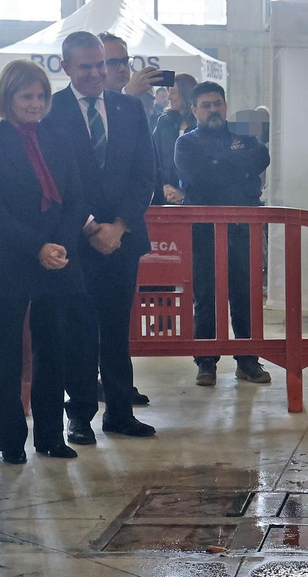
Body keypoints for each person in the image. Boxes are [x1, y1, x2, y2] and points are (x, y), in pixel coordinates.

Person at [0, 60, 89, 463]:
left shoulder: (59, 139)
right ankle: (10, 441)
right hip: (11, 258)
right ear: (8, 98)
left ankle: (51, 437)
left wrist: (59, 245)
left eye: (41, 96)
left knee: (53, 348)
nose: (36, 104)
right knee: (5, 353)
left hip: (58, 257)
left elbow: (76, 199)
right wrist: (37, 247)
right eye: (27, 96)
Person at [48, 32, 158, 445]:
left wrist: (119, 227)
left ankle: (120, 412)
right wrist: (91, 226)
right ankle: (79, 416)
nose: (97, 73)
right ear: (66, 67)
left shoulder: (129, 108)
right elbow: (54, 180)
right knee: (77, 329)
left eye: (103, 65)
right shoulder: (51, 111)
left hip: (122, 239)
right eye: (86, 67)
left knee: (116, 328)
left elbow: (144, 174)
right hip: (74, 242)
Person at [174, 81, 271, 387]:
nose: (213, 109)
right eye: (206, 105)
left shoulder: (244, 135)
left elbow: (260, 159)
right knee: (206, 295)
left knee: (246, 294)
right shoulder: (186, 144)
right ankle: (206, 361)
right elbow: (198, 178)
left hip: (244, 230)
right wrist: (236, 169)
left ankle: (248, 361)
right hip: (203, 232)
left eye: (217, 103)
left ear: (226, 106)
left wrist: (220, 165)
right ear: (194, 110)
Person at [99, 32, 167, 121]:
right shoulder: (88, 103)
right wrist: (127, 94)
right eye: (113, 62)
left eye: (125, 61)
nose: (122, 68)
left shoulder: (137, 102)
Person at [152, 72, 196, 204]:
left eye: (173, 92)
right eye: (168, 92)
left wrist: (183, 192)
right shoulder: (164, 122)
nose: (169, 97)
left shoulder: (201, 124)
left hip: (194, 200)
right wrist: (163, 186)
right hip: (166, 197)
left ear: (186, 94)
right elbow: (154, 156)